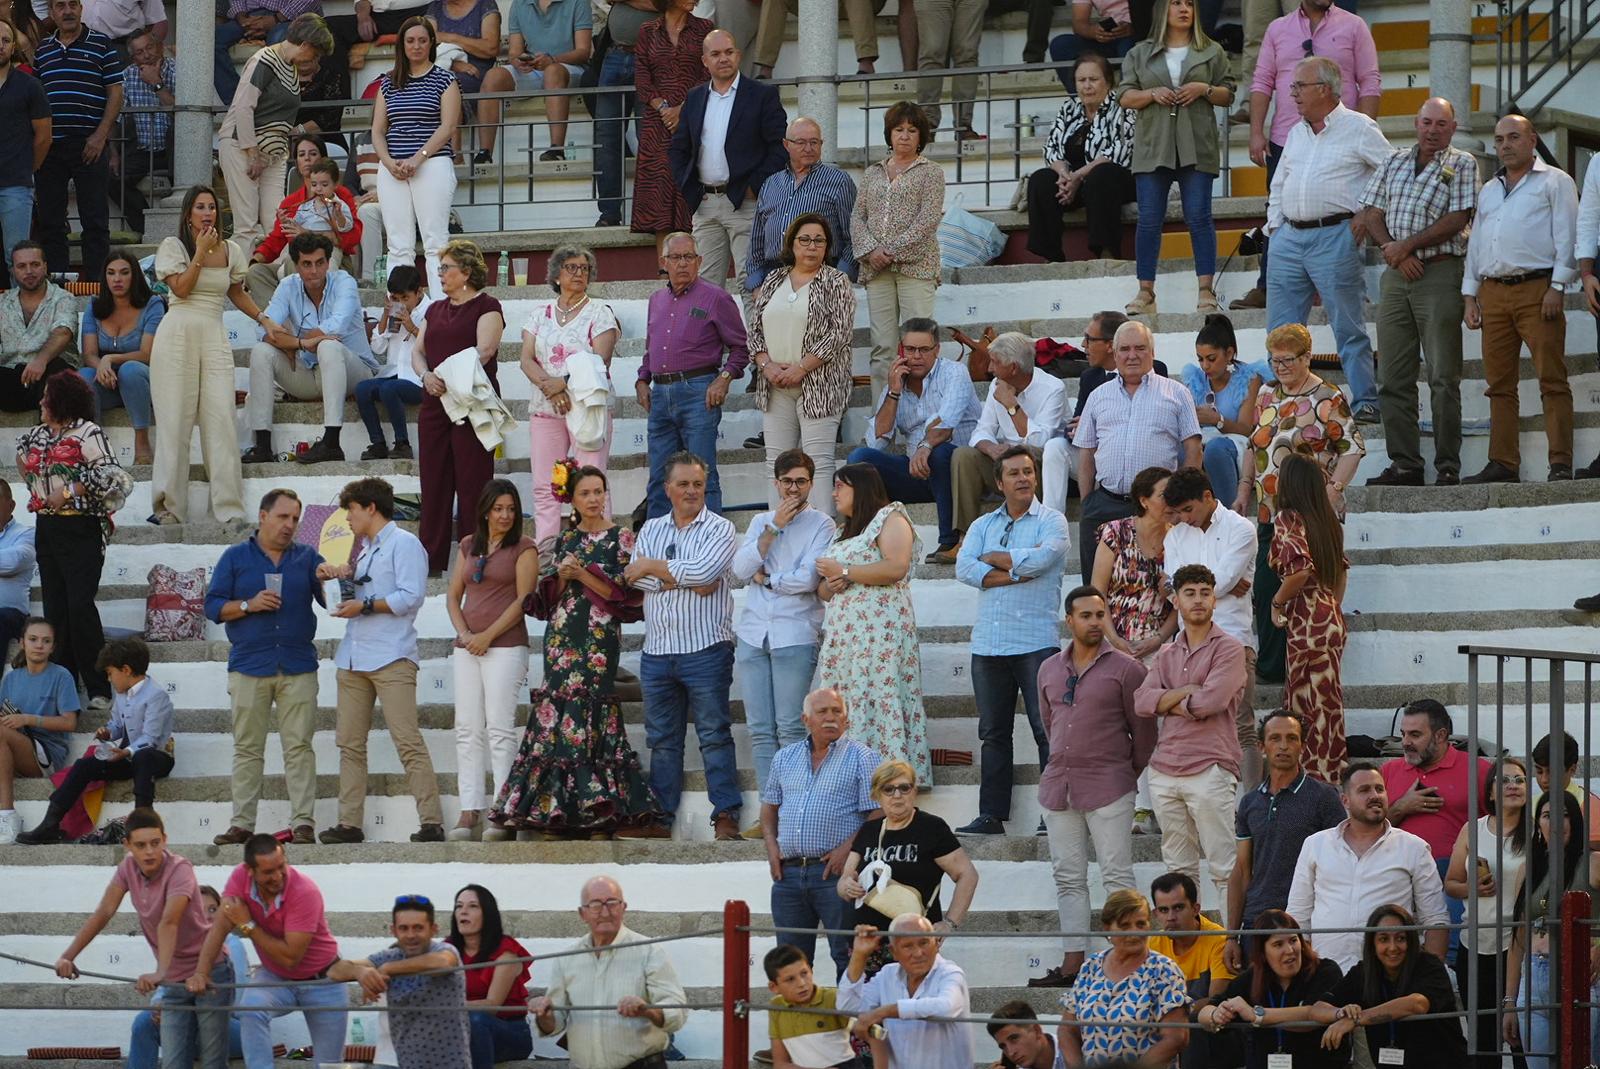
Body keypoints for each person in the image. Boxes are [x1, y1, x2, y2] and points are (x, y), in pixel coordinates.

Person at [492, 466, 660, 838]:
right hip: (562, 635)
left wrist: (584, 575)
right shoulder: (564, 539)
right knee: (559, 712)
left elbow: (628, 595)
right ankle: (556, 812)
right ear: (574, 499)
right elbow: (547, 599)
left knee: (593, 709)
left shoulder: (623, 538)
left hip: (600, 637)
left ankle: (596, 812)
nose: (594, 499)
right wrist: (561, 577)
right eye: (586, 493)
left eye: (599, 491)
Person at [1033, 585, 1154, 988]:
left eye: (1100, 615)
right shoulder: (1048, 668)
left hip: (1110, 785)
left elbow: (1145, 735)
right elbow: (1049, 724)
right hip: (1058, 787)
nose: (1094, 622)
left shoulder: (1127, 668)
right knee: (1067, 876)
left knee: (1117, 875)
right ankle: (1073, 966)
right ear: (1069, 620)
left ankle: (1130, 962)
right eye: (1086, 615)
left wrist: (1122, 774)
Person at [49, 809, 232, 1069]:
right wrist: (68, 955)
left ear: (165, 840)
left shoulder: (180, 868)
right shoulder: (127, 868)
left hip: (210, 968)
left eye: (155, 843)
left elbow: (170, 921)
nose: (149, 852)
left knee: (213, 1062)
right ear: (127, 846)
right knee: (173, 1063)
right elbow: (104, 912)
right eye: (141, 845)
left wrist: (160, 973)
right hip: (174, 977)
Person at [621, 451, 741, 840]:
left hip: (706, 647)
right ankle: (659, 818)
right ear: (667, 488)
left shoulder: (720, 529)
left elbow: (705, 575)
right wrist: (682, 576)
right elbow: (635, 579)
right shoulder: (651, 529)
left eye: (698, 484)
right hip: (658, 651)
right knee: (662, 740)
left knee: (714, 734)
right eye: (684, 484)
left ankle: (726, 814)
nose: (692, 491)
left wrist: (656, 568)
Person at [1263, 57, 1391, 422]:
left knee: (1347, 325)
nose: (1292, 93)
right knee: (1280, 329)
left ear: (1324, 89)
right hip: (1288, 237)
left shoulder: (1359, 127)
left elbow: (1392, 171)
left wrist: (1367, 212)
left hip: (1335, 235)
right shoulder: (1295, 131)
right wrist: (1275, 227)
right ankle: (1282, 403)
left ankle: (1365, 399)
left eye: (1298, 86)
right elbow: (1279, 183)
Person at [1358, 98, 1478, 488]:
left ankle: (1447, 466)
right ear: (1415, 122)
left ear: (1453, 128)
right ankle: (1405, 464)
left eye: (1441, 124)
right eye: (1426, 122)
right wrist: (1394, 250)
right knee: (1393, 375)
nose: (1432, 130)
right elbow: (1372, 212)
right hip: (1397, 274)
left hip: (1440, 271)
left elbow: (1458, 218)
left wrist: (1404, 247)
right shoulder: (1393, 160)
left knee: (1443, 375)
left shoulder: (1462, 162)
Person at [1232, 0, 1380, 313]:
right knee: (1279, 213)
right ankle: (1269, 285)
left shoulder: (1354, 26)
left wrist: (1362, 129)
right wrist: (1256, 131)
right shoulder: (1277, 28)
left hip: (1339, 138)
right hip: (1288, 138)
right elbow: (1262, 81)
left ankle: (1346, 289)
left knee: (1341, 213)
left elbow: (1369, 80)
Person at [316, 477, 442, 844]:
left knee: (407, 739)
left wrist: (365, 604)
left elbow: (411, 596)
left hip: (392, 654)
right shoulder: (364, 548)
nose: (349, 518)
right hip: (354, 654)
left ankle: (431, 821)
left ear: (371, 508)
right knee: (349, 744)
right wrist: (339, 577)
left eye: (352, 510)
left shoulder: (405, 543)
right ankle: (349, 822)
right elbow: (363, 591)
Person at [953, 445, 1068, 836]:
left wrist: (996, 559)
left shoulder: (1053, 521)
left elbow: (1043, 560)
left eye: (1028, 472)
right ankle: (991, 817)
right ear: (999, 482)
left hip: (1036, 641)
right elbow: (964, 568)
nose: (1023, 478)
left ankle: (1053, 813)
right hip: (988, 644)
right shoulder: (983, 524)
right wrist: (1017, 569)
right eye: (1014, 473)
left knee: (1046, 729)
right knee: (993, 733)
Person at [1241, 322, 1364, 685]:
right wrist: (1243, 488)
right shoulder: (1266, 394)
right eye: (1274, 361)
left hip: (1310, 513)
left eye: (1288, 360)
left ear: (1308, 357)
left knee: (1308, 591)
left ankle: (1301, 667)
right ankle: (1273, 667)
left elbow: (1352, 448)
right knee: (1265, 586)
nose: (1280, 368)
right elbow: (1254, 445)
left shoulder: (1327, 397)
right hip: (1270, 511)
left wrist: (1334, 490)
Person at [1462, 113, 1580, 484]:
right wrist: (1470, 294)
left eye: (1513, 137)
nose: (1505, 145)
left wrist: (1558, 286)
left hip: (1538, 289)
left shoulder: (1555, 182)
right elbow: (1477, 242)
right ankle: (1503, 463)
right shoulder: (1490, 189)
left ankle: (1560, 462)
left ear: (1532, 141)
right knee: (1498, 385)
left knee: (1551, 379)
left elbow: (1568, 236)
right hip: (1493, 292)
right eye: (1499, 140)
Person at [204, 488, 324, 846]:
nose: (290, 525)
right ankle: (242, 823)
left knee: (299, 747)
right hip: (249, 664)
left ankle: (303, 822)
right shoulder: (235, 557)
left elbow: (331, 599)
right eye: (283, 517)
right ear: (263, 516)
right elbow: (213, 607)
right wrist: (247, 606)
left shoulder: (307, 557)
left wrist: (336, 574)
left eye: (295, 519)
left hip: (297, 664)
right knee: (247, 748)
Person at [148, 185, 269, 528]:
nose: (207, 213)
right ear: (188, 214)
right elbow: (182, 289)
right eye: (200, 207)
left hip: (214, 333)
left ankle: (228, 509)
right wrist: (199, 251)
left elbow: (237, 293)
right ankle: (169, 507)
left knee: (222, 421)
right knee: (175, 422)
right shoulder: (173, 247)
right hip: (177, 335)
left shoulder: (231, 250)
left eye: (212, 207)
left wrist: (263, 319)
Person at [1136, 564, 1246, 903]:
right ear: (1177, 600)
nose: (1198, 600)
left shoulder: (1229, 648)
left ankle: (1233, 948)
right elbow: (1141, 701)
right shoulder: (1167, 652)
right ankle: (1185, 952)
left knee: (1224, 866)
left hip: (1211, 766)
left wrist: (1167, 701)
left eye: (1204, 593)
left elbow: (1210, 702)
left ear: (1214, 599)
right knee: (1178, 874)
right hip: (1165, 768)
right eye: (1189, 593)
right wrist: (1187, 691)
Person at [17, 371, 127, 706]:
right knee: (55, 609)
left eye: (46, 396)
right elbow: (24, 462)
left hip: (81, 528)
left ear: (60, 401)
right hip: (47, 528)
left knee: (79, 606)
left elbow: (112, 475)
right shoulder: (35, 435)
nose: (40, 402)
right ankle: (65, 686)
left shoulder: (87, 431)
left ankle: (97, 686)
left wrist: (67, 489)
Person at [816, 462, 930, 781]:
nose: (834, 492)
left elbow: (896, 567)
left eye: (841, 485)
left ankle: (888, 779)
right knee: (848, 703)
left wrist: (846, 572)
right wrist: (833, 583)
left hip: (880, 636)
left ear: (861, 488)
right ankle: (849, 776)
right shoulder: (842, 531)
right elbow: (824, 589)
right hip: (847, 641)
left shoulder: (890, 518)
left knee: (881, 699)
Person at [190, 835, 348, 1067]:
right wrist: (202, 972)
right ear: (249, 870)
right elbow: (220, 927)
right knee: (251, 1010)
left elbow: (290, 957)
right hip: (275, 975)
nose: (277, 876)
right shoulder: (239, 878)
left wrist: (247, 925)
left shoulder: (305, 891)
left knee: (329, 1065)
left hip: (323, 979)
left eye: (281, 867)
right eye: (268, 872)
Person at [1119, 0, 1233, 316]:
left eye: (1189, 4)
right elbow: (1125, 96)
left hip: (1197, 143)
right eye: (1175, 3)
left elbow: (1228, 93)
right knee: (1149, 220)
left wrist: (1204, 89)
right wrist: (1151, 95)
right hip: (1153, 145)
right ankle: (1145, 291)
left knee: (1199, 216)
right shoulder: (1139, 52)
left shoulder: (1212, 50)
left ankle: (1206, 290)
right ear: (1162, 11)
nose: (1184, 9)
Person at [733, 450, 837, 794]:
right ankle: (769, 811)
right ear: (777, 483)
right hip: (753, 634)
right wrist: (773, 528)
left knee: (791, 727)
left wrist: (767, 580)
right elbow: (740, 570)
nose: (794, 489)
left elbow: (807, 579)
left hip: (795, 632)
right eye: (788, 482)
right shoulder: (761, 522)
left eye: (801, 482)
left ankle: (794, 807)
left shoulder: (822, 523)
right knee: (761, 729)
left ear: (811, 483)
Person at [761, 686, 882, 979]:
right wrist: (772, 849)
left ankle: (853, 1024)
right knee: (789, 962)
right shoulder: (784, 758)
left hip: (836, 876)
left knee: (847, 955)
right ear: (805, 719)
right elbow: (768, 810)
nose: (830, 718)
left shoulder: (863, 758)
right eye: (822, 711)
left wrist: (847, 851)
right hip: (788, 876)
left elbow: (877, 814)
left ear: (847, 720)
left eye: (837, 711)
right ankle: (799, 1025)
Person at [1286, 761, 1451, 970]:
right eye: (1364, 790)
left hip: (1391, 977)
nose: (1374, 795)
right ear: (1345, 800)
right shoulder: (1315, 845)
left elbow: (1436, 920)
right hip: (1327, 974)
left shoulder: (1413, 848)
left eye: (1379, 789)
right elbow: (1297, 918)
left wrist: (1429, 975)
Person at [1073, 319, 1202, 583]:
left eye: (1140, 348)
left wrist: (1182, 498)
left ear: (1153, 353)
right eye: (1125, 349)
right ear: (1115, 353)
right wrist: (1087, 502)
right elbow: (1086, 452)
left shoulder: (1176, 393)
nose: (1132, 355)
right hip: (1104, 504)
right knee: (1096, 587)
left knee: (1155, 586)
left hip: (1157, 506)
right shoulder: (1098, 395)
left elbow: (1193, 448)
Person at [446, 479, 536, 841]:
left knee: (500, 728)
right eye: (498, 508)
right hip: (467, 647)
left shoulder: (524, 547)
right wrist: (467, 635)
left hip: (506, 645)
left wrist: (487, 636)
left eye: (510, 509)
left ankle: (503, 809)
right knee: (467, 728)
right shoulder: (469, 544)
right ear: (485, 511)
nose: (504, 515)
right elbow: (453, 595)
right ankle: (470, 809)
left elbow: (523, 601)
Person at [846, 318, 981, 559]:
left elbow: (946, 424)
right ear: (901, 350)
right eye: (910, 349)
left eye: (924, 349)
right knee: (859, 459)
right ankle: (860, 542)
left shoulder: (954, 373)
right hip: (918, 473)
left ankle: (949, 541)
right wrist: (894, 392)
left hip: (956, 474)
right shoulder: (895, 383)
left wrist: (925, 446)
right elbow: (878, 439)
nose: (916, 356)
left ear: (937, 350)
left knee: (940, 452)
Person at [747, 215, 856, 512]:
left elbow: (839, 333)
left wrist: (801, 368)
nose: (811, 246)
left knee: (817, 461)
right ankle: (778, 532)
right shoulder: (774, 279)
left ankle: (821, 536)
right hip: (775, 384)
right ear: (792, 244)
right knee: (777, 463)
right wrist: (766, 365)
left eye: (819, 240)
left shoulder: (836, 281)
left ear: (827, 246)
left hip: (818, 384)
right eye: (804, 240)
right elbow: (755, 330)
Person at [636, 232, 748, 519]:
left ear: (699, 261)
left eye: (689, 257)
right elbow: (652, 346)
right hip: (660, 394)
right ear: (664, 262)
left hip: (699, 391)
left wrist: (724, 378)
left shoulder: (717, 297)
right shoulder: (656, 299)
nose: (682, 263)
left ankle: (712, 551)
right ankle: (656, 550)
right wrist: (642, 379)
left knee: (702, 476)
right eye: (676, 257)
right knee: (661, 479)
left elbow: (740, 348)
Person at [17, 637, 173, 842]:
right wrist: (107, 732)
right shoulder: (123, 694)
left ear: (125, 670)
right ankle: (50, 823)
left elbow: (150, 739)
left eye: (110, 673)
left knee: (143, 757)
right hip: (128, 758)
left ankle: (142, 822)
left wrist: (126, 752)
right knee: (84, 766)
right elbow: (117, 724)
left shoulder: (156, 695)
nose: (109, 679)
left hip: (156, 757)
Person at [243, 233, 379, 465]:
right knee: (261, 352)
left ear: (328, 262)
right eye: (307, 264)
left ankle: (332, 442)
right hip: (309, 372)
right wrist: (299, 343)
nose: (314, 270)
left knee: (328, 345)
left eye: (320, 263)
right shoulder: (288, 286)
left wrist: (292, 341)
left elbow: (335, 326)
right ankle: (263, 444)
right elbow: (264, 331)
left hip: (355, 373)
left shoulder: (344, 281)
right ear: (296, 266)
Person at [1226, 710, 1345, 973]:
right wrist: (1231, 936)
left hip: (1304, 923)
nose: (1283, 746)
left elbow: (1341, 862)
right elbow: (1242, 871)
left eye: (1291, 738)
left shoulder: (1324, 797)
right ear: (1261, 746)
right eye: (1275, 738)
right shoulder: (1249, 803)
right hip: (1256, 923)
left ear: (1302, 745)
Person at [414, 238, 506, 573]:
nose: (440, 274)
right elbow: (417, 351)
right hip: (435, 404)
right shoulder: (435, 308)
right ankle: (431, 562)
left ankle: (476, 562)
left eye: (446, 268)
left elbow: (485, 351)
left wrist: (447, 377)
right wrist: (425, 376)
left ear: (465, 271)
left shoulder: (488, 306)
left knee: (474, 486)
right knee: (434, 483)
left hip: (472, 405)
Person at [668, 29, 785, 292]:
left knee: (752, 282)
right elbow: (678, 149)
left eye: (729, 52)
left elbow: (779, 147)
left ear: (739, 55)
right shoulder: (695, 97)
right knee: (705, 289)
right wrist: (689, 187)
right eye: (716, 54)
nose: (723, 59)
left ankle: (757, 336)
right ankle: (710, 336)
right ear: (704, 61)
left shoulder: (761, 95)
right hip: (705, 204)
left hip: (746, 203)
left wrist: (755, 186)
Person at [529, 875, 689, 1067]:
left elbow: (677, 1011)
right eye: (596, 905)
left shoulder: (650, 951)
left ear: (624, 907)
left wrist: (647, 1010)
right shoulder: (567, 958)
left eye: (612, 903)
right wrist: (544, 1015)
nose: (605, 912)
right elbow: (555, 1023)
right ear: (582, 914)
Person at [520, 243, 619, 549]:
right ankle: (547, 550)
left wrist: (561, 385)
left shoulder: (599, 313)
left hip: (587, 406)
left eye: (584, 268)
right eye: (571, 267)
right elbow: (526, 359)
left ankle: (599, 546)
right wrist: (550, 387)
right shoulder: (539, 314)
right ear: (557, 274)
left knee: (591, 480)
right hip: (545, 405)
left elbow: (600, 361)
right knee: (544, 485)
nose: (579, 273)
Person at [1162, 465, 1260, 769]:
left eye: (1188, 509)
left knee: (1241, 724)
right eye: (1179, 511)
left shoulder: (1241, 528)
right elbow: (1173, 588)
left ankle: (1247, 812)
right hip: (1188, 644)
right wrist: (1218, 589)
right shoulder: (1176, 534)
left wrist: (1187, 590)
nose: (1185, 518)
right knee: (1190, 725)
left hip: (1232, 638)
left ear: (1207, 496)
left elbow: (1218, 581)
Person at [1381, 700, 1495, 954]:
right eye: (1403, 734)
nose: (1406, 742)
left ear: (1441, 735)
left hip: (1452, 879)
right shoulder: (1389, 771)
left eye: (1415, 734)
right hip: (1399, 878)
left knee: (1450, 956)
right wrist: (1402, 807)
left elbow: (1501, 824)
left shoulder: (1479, 771)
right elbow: (1369, 829)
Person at [216, 14, 334, 255]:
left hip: (273, 153)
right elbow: (243, 107)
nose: (316, 60)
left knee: (277, 222)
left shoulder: (290, 67)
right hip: (243, 147)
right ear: (306, 45)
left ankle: (275, 281)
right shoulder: (265, 59)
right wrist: (252, 153)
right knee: (246, 225)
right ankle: (240, 285)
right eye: (317, 53)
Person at [852, 101, 944, 404]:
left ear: (921, 136)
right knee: (882, 348)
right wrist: (871, 251)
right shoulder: (873, 172)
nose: (904, 136)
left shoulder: (931, 172)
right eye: (898, 129)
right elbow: (857, 217)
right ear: (889, 134)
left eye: (912, 130)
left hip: (916, 268)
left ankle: (922, 414)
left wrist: (890, 250)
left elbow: (928, 219)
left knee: (919, 347)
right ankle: (884, 419)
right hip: (877, 270)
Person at [1503, 790, 1600, 1069]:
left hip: (1583, 977)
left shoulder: (1592, 863)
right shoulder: (1528, 869)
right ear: (1538, 823)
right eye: (1547, 815)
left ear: (1576, 821)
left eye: (1565, 814)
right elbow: (1518, 939)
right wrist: (1510, 1001)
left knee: (1582, 1063)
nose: (1556, 822)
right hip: (1534, 978)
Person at [1442, 755, 1528, 1069]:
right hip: (1474, 946)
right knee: (1482, 1043)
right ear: (1490, 793)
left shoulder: (1537, 831)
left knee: (1522, 1039)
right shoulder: (1472, 829)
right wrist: (1473, 889)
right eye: (1504, 780)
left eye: (1519, 780)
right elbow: (1451, 883)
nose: (1513, 786)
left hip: (1519, 948)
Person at [1308, 904, 1468, 1068]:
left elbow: (1416, 1004)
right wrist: (1341, 1014)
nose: (1393, 947)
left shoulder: (1429, 965)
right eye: (1384, 939)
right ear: (1373, 943)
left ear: (1411, 940)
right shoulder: (1363, 972)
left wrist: (1356, 1019)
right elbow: (1317, 1009)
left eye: (1400, 938)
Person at [837, 761, 977, 943]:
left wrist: (949, 923)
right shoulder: (869, 830)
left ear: (914, 792)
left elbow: (967, 875)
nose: (897, 795)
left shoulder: (931, 828)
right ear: (877, 795)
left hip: (915, 942)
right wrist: (847, 886)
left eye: (904, 788)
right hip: (867, 942)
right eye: (888, 789)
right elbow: (844, 880)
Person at [950, 334, 1066, 551]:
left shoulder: (1053, 388)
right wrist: (991, 448)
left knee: (1032, 455)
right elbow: (981, 431)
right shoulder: (998, 384)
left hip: (1038, 467)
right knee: (963, 455)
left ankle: (1031, 534)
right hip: (1003, 462)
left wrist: (1011, 406)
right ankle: (964, 539)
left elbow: (1039, 441)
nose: (989, 369)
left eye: (995, 362)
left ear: (1013, 368)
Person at [328, 895, 473, 1068]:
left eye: (418, 928)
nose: (411, 935)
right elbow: (335, 971)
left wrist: (388, 968)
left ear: (433, 929)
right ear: (393, 930)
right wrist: (360, 972)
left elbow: (442, 962)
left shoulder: (445, 950)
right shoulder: (390, 955)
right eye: (404, 928)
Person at [372, 16, 460, 299]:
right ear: (402, 45)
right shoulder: (387, 83)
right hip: (393, 167)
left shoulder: (445, 79)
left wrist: (417, 159)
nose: (416, 45)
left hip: (432, 163)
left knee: (436, 241)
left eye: (423, 40)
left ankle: (441, 308)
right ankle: (399, 309)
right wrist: (388, 162)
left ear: (432, 43)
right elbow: (377, 130)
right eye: (410, 40)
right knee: (398, 245)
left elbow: (447, 127)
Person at [32, 0, 118, 281]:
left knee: (95, 222)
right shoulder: (42, 50)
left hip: (90, 145)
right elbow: (35, 100)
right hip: (50, 148)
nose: (67, 11)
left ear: (81, 8)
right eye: (60, 6)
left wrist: (100, 136)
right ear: (52, 13)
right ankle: (59, 286)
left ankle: (97, 287)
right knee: (51, 223)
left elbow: (116, 93)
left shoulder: (102, 44)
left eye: (72, 4)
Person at [1057, 889, 1189, 1067]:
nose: (1135, 932)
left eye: (1141, 924)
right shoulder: (1091, 966)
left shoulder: (1164, 970)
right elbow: (1067, 1030)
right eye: (1125, 925)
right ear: (1107, 928)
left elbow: (1176, 1038)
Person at [1027, 52, 1137, 264]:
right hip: (1074, 184)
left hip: (1115, 180)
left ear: (1108, 81)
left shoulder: (1123, 106)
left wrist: (1078, 176)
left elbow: (1120, 151)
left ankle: (1107, 251)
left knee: (1101, 176)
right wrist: (1065, 176)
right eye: (1081, 80)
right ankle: (1052, 256)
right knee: (1041, 180)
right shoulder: (1069, 108)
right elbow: (1051, 148)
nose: (1087, 86)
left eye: (1094, 79)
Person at [1201, 908, 1345, 1069]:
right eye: (1278, 944)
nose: (1290, 951)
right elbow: (1204, 1012)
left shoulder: (1326, 971)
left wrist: (1257, 1015)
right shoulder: (1251, 977)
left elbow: (1313, 1015)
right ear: (1262, 952)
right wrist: (1217, 1014)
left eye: (1293, 940)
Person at [125, 885, 250, 1069]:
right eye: (200, 910)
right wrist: (160, 1008)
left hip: (229, 1027)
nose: (207, 916)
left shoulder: (232, 944)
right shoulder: (179, 945)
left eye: (213, 909)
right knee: (145, 1021)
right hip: (186, 1022)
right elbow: (165, 989)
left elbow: (233, 1000)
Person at [839, 914, 975, 1069]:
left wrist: (885, 1011)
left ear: (936, 943)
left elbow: (946, 1007)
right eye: (908, 946)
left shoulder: (950, 973)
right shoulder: (887, 975)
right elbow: (848, 1009)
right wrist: (859, 955)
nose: (918, 953)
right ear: (894, 952)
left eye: (924, 943)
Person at [630, 0, 712, 250]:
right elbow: (642, 76)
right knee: (659, 196)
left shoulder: (705, 29)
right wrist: (665, 109)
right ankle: (664, 270)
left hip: (695, 118)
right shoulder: (647, 30)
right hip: (657, 124)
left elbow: (708, 74)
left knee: (690, 192)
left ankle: (691, 266)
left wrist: (683, 110)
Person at [747, 117, 858, 294]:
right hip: (774, 277)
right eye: (801, 142)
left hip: (822, 276)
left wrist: (840, 279)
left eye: (814, 142)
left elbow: (853, 236)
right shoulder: (771, 184)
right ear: (786, 145)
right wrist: (755, 283)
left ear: (821, 144)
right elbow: (757, 239)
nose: (808, 148)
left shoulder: (839, 181)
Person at [244, 146, 364, 308]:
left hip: (331, 258)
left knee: (299, 263)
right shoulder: (295, 203)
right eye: (301, 154)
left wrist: (310, 233)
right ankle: (277, 321)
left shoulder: (339, 198)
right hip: (296, 259)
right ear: (297, 163)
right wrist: (255, 260)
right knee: (256, 273)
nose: (307, 158)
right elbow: (276, 239)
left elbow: (353, 236)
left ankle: (313, 314)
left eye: (313, 153)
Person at [475, 0, 592, 163]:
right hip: (535, 67)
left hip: (570, 67)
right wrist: (517, 60)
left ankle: (556, 149)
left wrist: (553, 60)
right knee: (493, 77)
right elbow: (515, 51)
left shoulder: (578, 2)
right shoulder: (519, 4)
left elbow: (583, 52)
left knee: (553, 71)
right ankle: (484, 153)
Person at [78, 249, 162, 465]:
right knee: (84, 376)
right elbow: (89, 354)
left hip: (144, 382)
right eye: (111, 273)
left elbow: (147, 354)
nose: (117, 279)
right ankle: (91, 445)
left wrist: (110, 360)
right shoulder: (95, 306)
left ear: (134, 276)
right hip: (109, 383)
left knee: (130, 369)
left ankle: (142, 441)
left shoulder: (153, 304)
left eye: (124, 273)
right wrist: (101, 367)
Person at [0, 617, 78, 842]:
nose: (39, 645)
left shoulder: (61, 676)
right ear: (22, 642)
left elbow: (69, 723)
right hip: (13, 744)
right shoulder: (11, 678)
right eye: (33, 639)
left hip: (46, 753)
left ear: (53, 647)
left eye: (46, 641)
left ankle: (7, 815)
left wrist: (27, 719)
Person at [1147, 871, 1236, 1068]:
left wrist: (1172, 1013)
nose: (1171, 917)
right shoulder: (1153, 943)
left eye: (1178, 908)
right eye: (1163, 910)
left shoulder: (1218, 939)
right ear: (1155, 914)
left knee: (1194, 1021)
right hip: (1167, 1027)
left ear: (1196, 908)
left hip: (1210, 1033)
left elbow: (1216, 998)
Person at [1091, 465, 1175, 665]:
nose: (1171, 501)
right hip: (1112, 640)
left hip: (1160, 645)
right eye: (1164, 495)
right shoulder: (1116, 531)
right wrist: (1114, 640)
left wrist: (1158, 639)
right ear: (1144, 500)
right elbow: (1097, 593)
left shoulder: (1178, 537)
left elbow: (1180, 601)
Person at [1178, 315, 1264, 508]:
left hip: (1236, 445)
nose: (1205, 366)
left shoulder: (1249, 378)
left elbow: (1246, 429)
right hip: (1203, 443)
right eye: (1200, 359)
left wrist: (1218, 420)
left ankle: (1227, 513)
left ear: (1229, 353)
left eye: (1211, 358)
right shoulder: (1196, 378)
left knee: (1216, 448)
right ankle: (1187, 508)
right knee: (1179, 445)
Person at [446, 885, 533, 1069]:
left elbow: (492, 1006)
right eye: (459, 906)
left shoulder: (506, 950)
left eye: (472, 906)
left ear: (487, 913)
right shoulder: (448, 949)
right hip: (461, 1031)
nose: (463, 912)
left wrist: (447, 1005)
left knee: (476, 1020)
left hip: (509, 1032)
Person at [592, 0, 657, 227]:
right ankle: (609, 213)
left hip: (652, 56)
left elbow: (664, 4)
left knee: (649, 138)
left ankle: (652, 213)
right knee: (606, 139)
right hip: (615, 54)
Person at [357, 263, 430, 460]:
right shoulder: (394, 310)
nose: (402, 303)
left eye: (406, 298)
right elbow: (377, 348)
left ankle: (402, 443)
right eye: (396, 299)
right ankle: (378, 443)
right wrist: (384, 314)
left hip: (419, 379)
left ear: (419, 292)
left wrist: (411, 326)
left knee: (389, 389)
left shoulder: (431, 311)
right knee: (362, 389)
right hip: (394, 373)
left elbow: (434, 349)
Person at [108, 26, 172, 239]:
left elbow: (184, 114)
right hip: (142, 149)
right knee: (112, 179)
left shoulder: (178, 70)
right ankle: (147, 230)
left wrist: (157, 84)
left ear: (159, 46)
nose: (147, 55)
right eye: (140, 52)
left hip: (174, 147)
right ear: (133, 58)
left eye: (150, 48)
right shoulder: (127, 76)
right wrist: (114, 154)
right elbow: (114, 119)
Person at [0, 242, 79, 413]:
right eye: (21, 266)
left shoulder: (63, 298)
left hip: (49, 372)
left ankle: (51, 438)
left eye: (35, 264)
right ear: (13, 271)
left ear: (45, 267)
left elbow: (63, 332)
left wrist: (40, 361)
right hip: (13, 376)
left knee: (58, 373)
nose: (29, 271)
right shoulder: (3, 303)